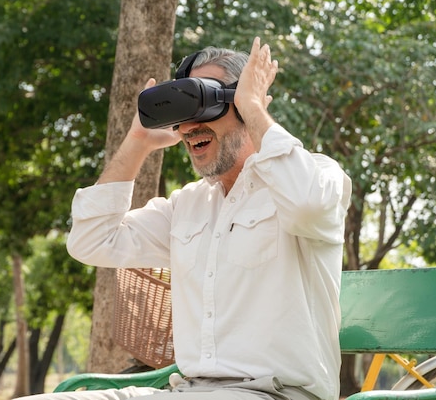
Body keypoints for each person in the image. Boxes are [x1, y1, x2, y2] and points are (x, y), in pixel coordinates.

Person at [19, 37, 352, 400]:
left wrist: (254, 107)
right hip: (188, 390)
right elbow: (91, 240)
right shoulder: (187, 206)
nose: (189, 126)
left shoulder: (317, 176)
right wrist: (137, 140)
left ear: (241, 103)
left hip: (277, 393)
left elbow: (307, 205)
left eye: (204, 102)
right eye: (181, 112)